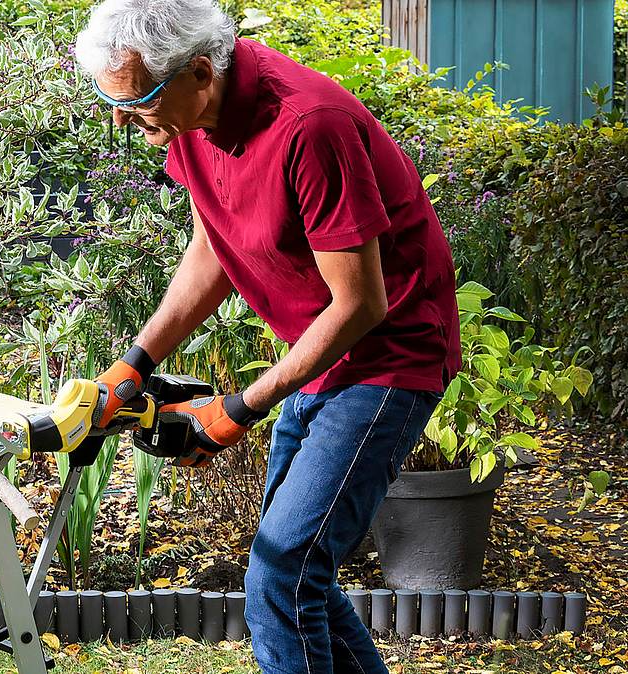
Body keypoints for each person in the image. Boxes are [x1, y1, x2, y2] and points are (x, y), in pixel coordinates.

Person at [74, 1, 462, 672]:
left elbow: (361, 303)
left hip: (388, 357)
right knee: (294, 574)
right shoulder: (189, 119)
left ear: (200, 71)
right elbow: (213, 247)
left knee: (283, 576)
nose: (121, 118)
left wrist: (239, 408)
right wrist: (134, 364)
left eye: (136, 101)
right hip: (321, 355)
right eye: (112, 101)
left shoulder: (311, 126)